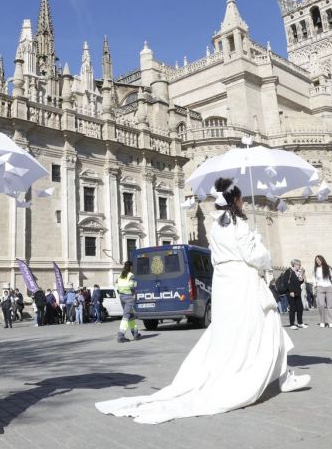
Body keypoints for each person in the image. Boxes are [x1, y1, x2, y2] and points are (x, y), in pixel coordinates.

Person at [97, 178, 310, 423]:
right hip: (242, 279)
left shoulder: (216, 226)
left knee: (230, 330)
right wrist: (260, 245)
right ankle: (280, 377)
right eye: (241, 198)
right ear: (235, 200)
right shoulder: (239, 224)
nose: (243, 202)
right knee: (268, 321)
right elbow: (253, 255)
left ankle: (276, 374)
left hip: (224, 282)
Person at [115, 261, 142, 343]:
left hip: (122, 296)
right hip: (129, 297)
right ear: (130, 267)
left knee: (131, 315)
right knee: (126, 315)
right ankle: (121, 335)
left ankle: (135, 333)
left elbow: (116, 285)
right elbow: (133, 285)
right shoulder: (131, 275)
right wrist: (134, 293)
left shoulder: (120, 275)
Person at [313, 256, 332, 328]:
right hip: (320, 287)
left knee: (330, 306)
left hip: (329, 287)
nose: (318, 261)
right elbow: (314, 278)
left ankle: (330, 322)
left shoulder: (328, 267)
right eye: (316, 260)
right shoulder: (315, 269)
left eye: (319, 259)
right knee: (321, 305)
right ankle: (322, 321)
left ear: (322, 260)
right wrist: (315, 285)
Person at [284, 260, 307, 330]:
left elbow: (299, 282)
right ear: (294, 265)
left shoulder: (297, 272)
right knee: (293, 308)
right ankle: (292, 324)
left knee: (300, 308)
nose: (299, 266)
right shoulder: (289, 271)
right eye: (298, 265)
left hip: (297, 292)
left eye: (300, 265)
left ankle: (300, 323)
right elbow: (286, 282)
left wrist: (301, 279)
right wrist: (291, 291)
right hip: (291, 292)